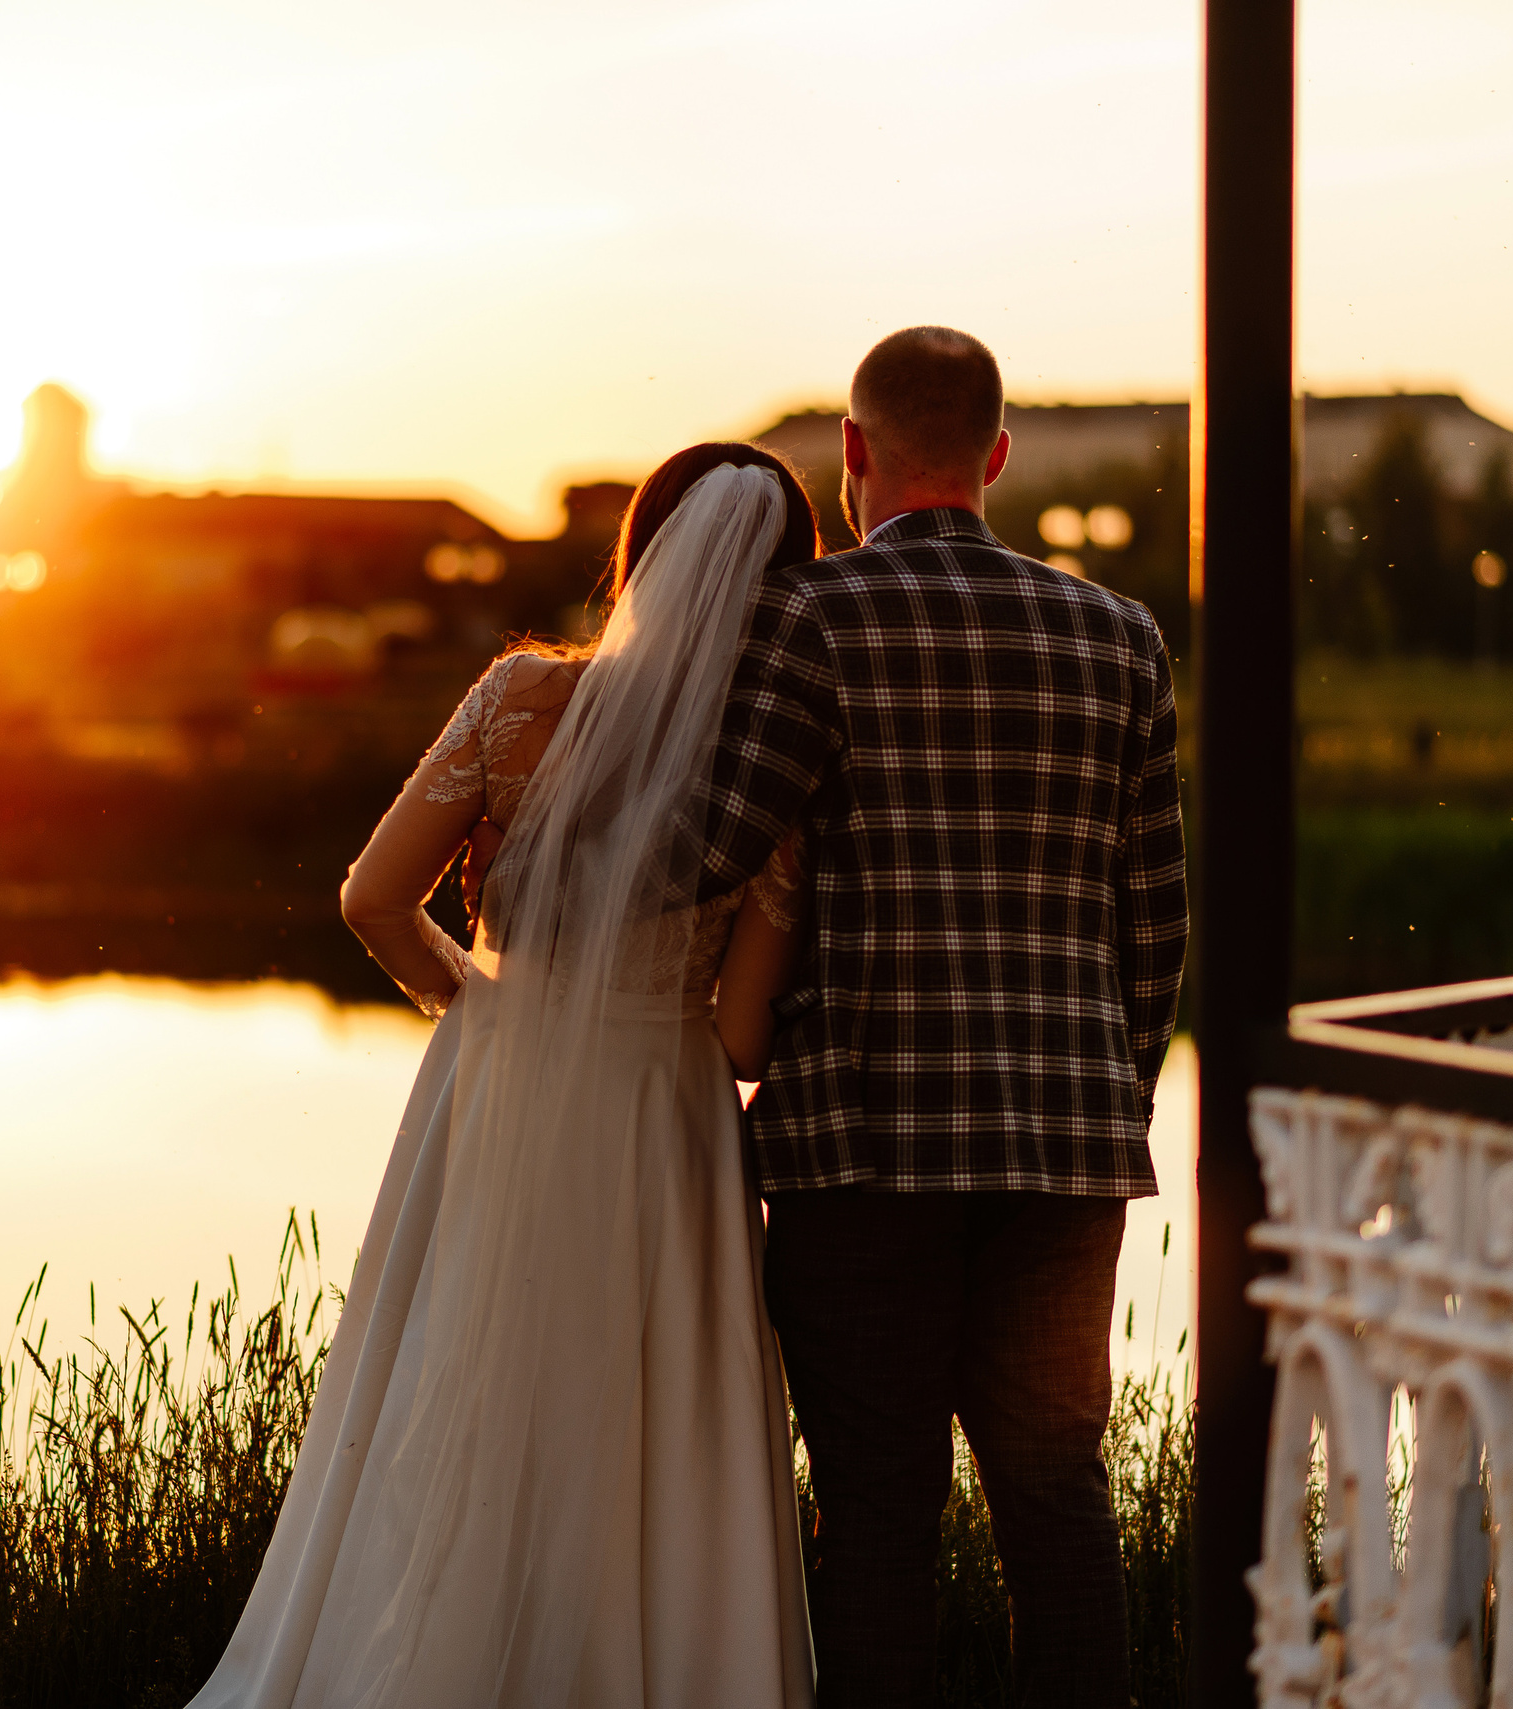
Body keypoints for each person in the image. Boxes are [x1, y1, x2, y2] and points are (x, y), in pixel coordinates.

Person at [185, 444, 822, 1708]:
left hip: (498, 1079)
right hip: (666, 1111)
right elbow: (745, 1040)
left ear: (638, 553)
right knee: (652, 1414)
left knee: (457, 1367)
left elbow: (372, 897)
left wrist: (482, 1001)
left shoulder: (518, 697)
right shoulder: (773, 776)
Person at [699, 327, 1189, 1708]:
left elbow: (716, 845)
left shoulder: (813, 619)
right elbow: (1155, 923)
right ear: (998, 457)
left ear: (853, 454)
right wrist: (1100, 1090)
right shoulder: (1120, 637)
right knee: (1055, 1495)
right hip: (1063, 1153)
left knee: (875, 1515)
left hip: (862, 1153)